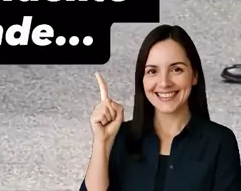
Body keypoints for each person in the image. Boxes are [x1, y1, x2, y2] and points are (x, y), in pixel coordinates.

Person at [80, 24, 241, 190]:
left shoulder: (219, 142)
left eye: (176, 69)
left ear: (194, 75)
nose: (164, 83)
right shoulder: (121, 138)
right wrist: (102, 141)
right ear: (142, 80)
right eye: (152, 71)